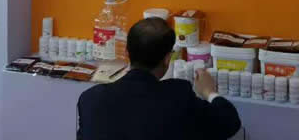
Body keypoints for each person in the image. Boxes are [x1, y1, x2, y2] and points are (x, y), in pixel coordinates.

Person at [78, 17, 241, 140]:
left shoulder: (91, 99)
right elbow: (229, 123)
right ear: (167, 58)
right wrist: (209, 92)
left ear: (127, 53)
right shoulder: (178, 97)